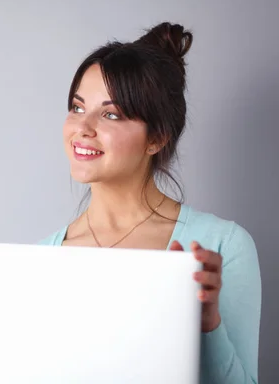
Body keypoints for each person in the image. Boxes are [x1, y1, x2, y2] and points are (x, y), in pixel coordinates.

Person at [39, 22, 261, 383]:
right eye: (77, 108)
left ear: (156, 138)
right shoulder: (39, 260)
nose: (83, 127)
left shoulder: (221, 246)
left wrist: (207, 325)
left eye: (110, 114)